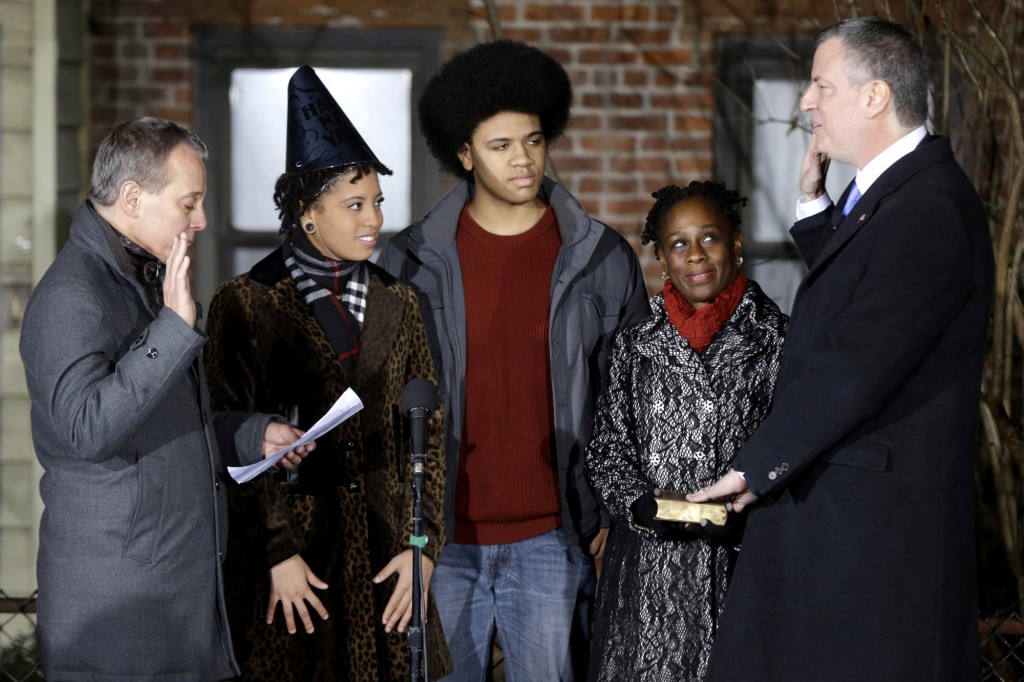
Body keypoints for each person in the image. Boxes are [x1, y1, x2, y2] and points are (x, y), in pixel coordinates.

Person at [688, 17, 994, 680]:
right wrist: (813, 207)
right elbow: (869, 294)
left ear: (874, 96)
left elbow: (859, 357)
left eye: (821, 85)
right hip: (848, 526)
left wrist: (752, 469)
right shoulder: (902, 197)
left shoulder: (928, 208)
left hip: (870, 543)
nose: (805, 102)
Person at [379, 39, 650, 681]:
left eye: (532, 140)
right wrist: (400, 529)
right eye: (500, 146)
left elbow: (636, 398)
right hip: (440, 543)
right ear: (465, 154)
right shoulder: (410, 263)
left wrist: (615, 511)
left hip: (554, 538)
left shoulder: (601, 258)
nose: (523, 159)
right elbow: (380, 402)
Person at [20, 116, 313, 680]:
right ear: (132, 198)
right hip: (121, 621)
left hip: (183, 605)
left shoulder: (144, 277)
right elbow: (88, 429)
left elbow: (168, 422)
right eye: (188, 203)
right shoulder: (70, 295)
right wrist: (175, 330)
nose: (200, 220)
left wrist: (254, 434)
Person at [203, 65, 450, 681]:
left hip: (389, 554)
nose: (374, 219)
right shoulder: (247, 301)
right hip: (296, 566)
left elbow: (432, 435)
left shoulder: (402, 300)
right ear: (309, 213)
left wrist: (425, 550)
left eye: (377, 203)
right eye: (355, 204)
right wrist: (277, 552)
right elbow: (224, 436)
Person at [584, 181, 787, 681]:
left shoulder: (779, 338)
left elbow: (794, 444)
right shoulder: (635, 344)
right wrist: (639, 505)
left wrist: (755, 503)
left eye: (709, 238)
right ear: (660, 256)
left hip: (742, 568)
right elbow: (608, 447)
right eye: (678, 243)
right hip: (648, 576)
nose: (695, 255)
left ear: (735, 243)